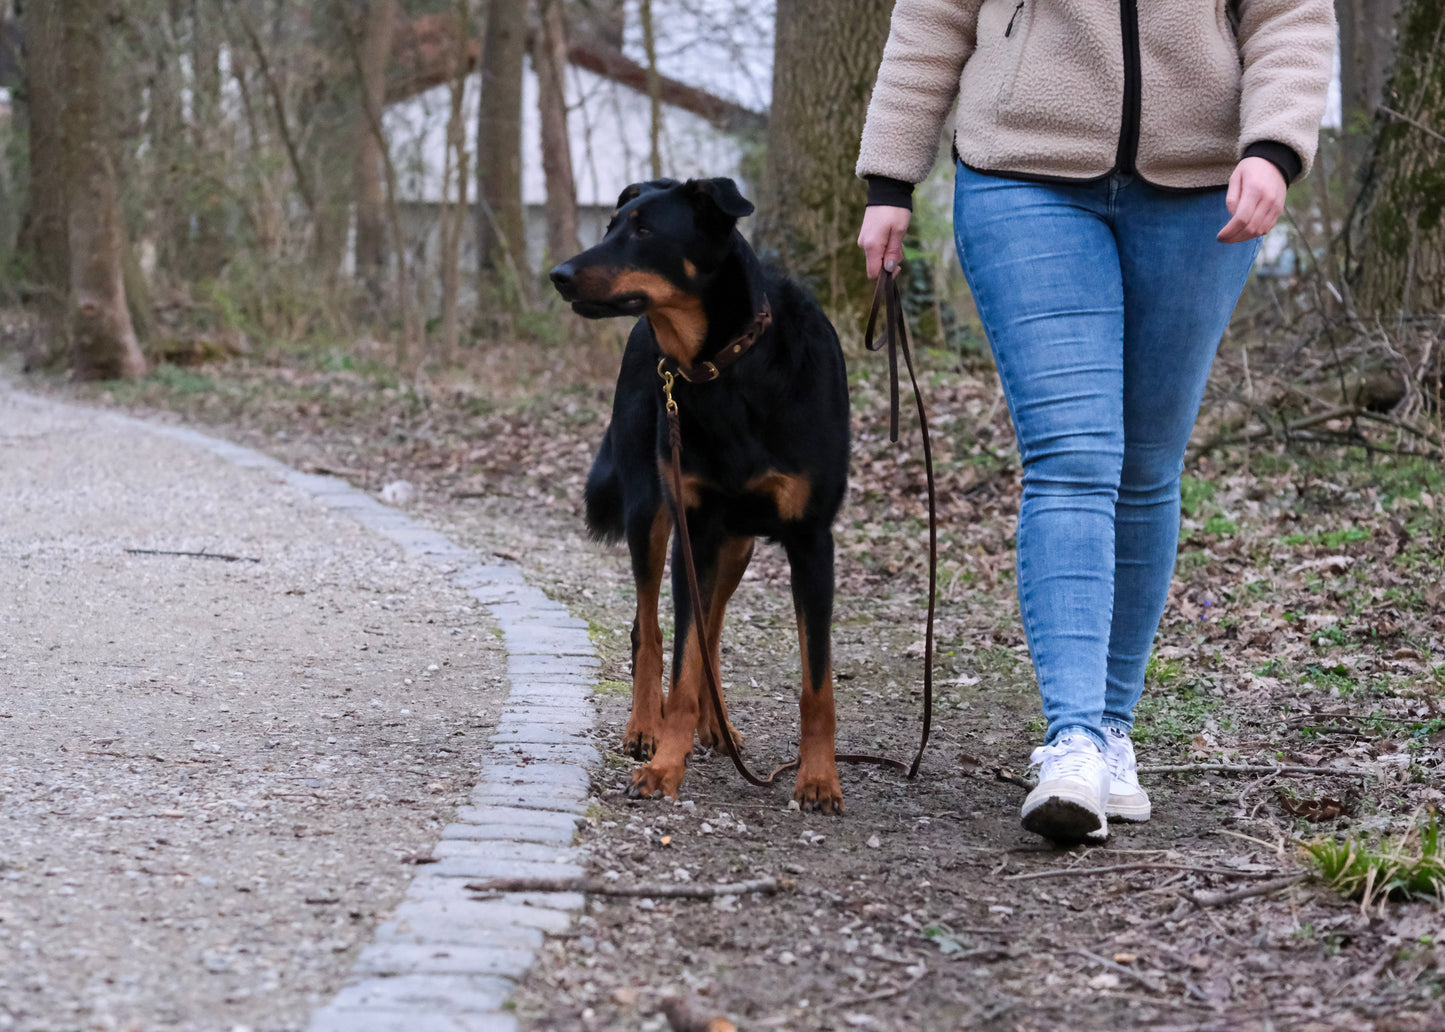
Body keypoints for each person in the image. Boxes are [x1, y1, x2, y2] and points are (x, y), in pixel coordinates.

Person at [856, 0, 1335, 843]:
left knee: (1146, 465)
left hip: (1199, 189)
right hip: (1021, 173)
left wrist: (1273, 144)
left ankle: (1112, 730)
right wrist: (889, 179)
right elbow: (931, 16)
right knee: (1073, 454)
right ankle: (1070, 738)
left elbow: (1290, 15)